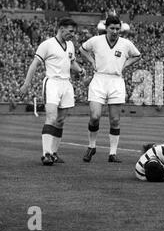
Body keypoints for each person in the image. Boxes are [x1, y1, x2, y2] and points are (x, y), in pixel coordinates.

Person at [19, 17, 86, 165]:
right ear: (61, 28)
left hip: (66, 84)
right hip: (52, 83)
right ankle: (46, 154)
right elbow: (34, 64)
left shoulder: (70, 45)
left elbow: (71, 62)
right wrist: (26, 84)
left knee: (61, 121)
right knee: (51, 117)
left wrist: (80, 70)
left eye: (74, 32)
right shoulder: (47, 45)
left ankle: (54, 153)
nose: (72, 34)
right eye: (70, 31)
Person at [79, 15, 141, 163]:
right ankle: (91, 146)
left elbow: (137, 56)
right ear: (106, 28)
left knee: (115, 119)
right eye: (112, 28)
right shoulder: (96, 40)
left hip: (116, 81)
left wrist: (125, 64)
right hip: (99, 79)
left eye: (117, 29)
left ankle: (112, 153)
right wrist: (92, 60)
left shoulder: (126, 43)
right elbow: (82, 49)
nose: (114, 31)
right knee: (95, 116)